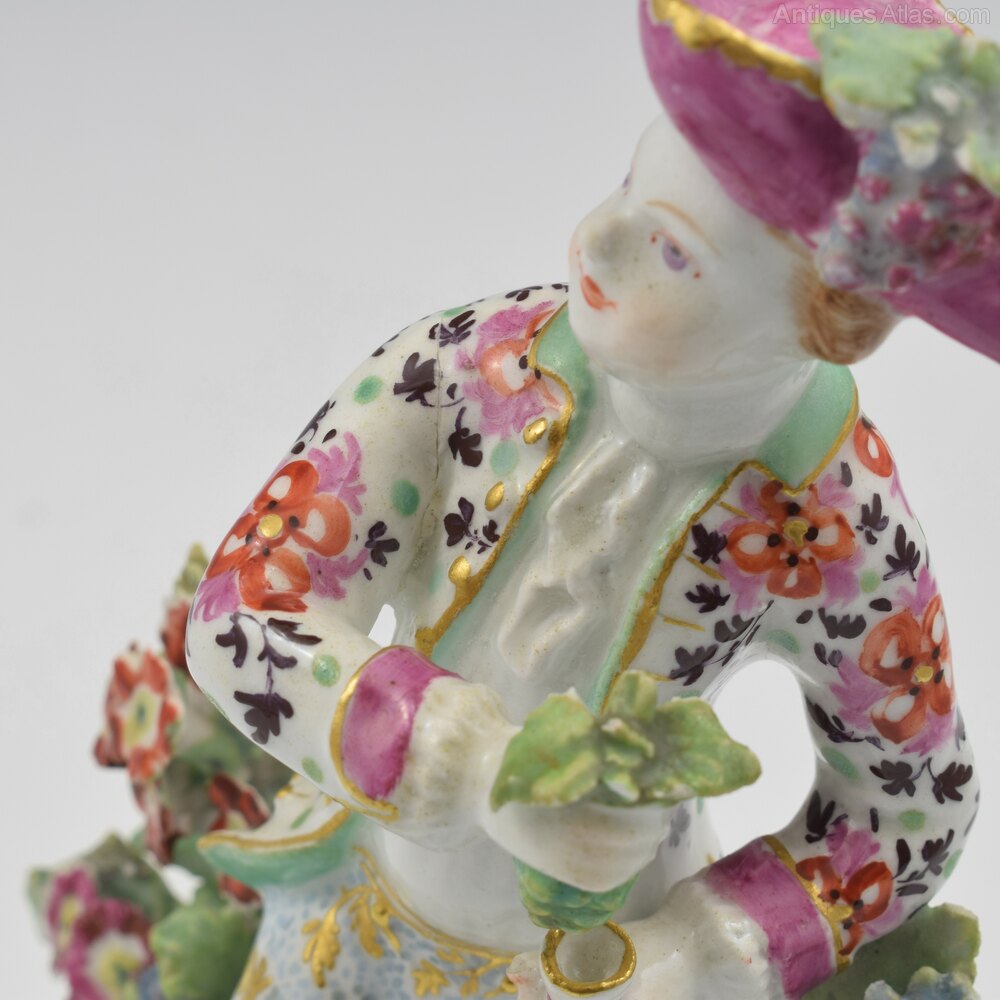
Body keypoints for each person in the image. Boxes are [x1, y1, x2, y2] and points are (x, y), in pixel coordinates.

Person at [187, 2, 997, 997]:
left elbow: (914, 805)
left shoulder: (833, 526)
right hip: (353, 907)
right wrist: (475, 767)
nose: (597, 240)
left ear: (824, 326)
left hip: (600, 966)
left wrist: (707, 950)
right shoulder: (460, 370)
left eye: (673, 253)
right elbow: (242, 606)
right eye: (625, 186)